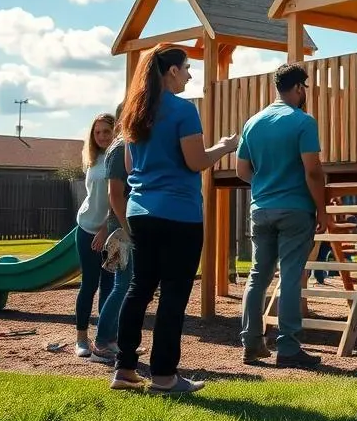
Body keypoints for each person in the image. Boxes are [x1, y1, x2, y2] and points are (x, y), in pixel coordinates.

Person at [111, 44, 239, 393]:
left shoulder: (134, 111)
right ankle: (165, 376)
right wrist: (225, 147)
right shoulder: (184, 110)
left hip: (140, 210)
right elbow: (196, 162)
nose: (189, 74)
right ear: (171, 72)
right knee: (173, 294)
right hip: (179, 214)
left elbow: (127, 167)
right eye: (186, 68)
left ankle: (124, 370)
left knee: (139, 289)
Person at [237, 63, 329, 369]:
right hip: (295, 209)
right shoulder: (303, 122)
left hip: (261, 208)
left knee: (257, 277)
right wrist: (322, 209)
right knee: (290, 276)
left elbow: (242, 170)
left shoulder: (253, 122)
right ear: (299, 88)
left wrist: (265, 185)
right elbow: (313, 170)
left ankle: (251, 342)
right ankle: (288, 346)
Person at [88, 103, 139, 365]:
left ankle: (113, 340)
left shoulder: (127, 146)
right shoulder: (119, 150)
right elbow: (115, 196)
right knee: (121, 286)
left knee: (126, 286)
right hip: (121, 230)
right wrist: (126, 230)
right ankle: (101, 343)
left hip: (124, 227)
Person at [74, 112, 116, 358]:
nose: (101, 136)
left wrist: (106, 228)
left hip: (109, 231)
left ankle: (106, 338)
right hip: (87, 229)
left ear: (115, 131)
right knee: (89, 284)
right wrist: (97, 229)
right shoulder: (93, 159)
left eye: (106, 131)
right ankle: (81, 339)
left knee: (110, 287)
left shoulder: (119, 157)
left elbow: (120, 196)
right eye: (97, 132)